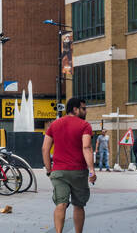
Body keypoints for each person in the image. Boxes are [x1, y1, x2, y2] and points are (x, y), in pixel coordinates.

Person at [42, 97, 95, 233]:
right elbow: (87, 147)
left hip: (59, 172)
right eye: (83, 108)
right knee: (78, 205)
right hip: (78, 172)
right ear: (75, 109)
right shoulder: (85, 126)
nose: (86, 111)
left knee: (61, 203)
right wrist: (91, 170)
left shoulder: (54, 125)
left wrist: (49, 169)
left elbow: (45, 148)